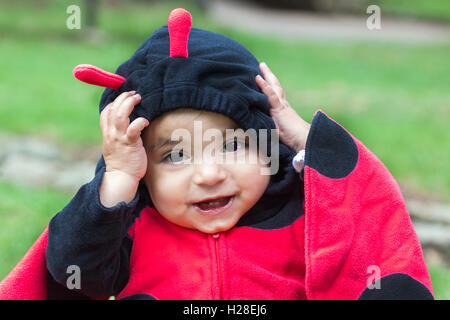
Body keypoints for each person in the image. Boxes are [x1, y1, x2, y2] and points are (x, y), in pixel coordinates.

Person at [0, 8, 433, 300]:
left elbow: (366, 214)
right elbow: (73, 273)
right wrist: (116, 179)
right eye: (173, 156)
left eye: (232, 145)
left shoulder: (301, 212)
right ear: (142, 170)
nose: (209, 175)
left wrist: (303, 138)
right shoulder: (129, 229)